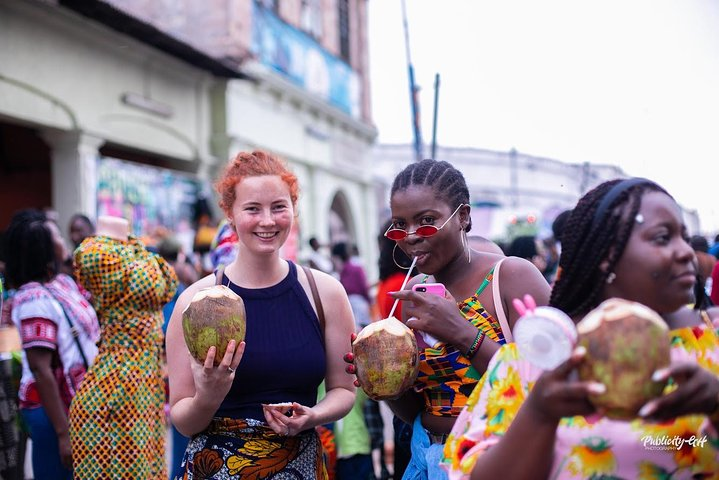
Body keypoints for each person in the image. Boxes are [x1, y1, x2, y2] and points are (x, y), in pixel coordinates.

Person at [443, 177, 719, 479]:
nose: (686, 253)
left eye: (684, 236)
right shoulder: (532, 362)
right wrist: (539, 414)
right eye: (663, 238)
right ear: (606, 257)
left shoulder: (712, 344)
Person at [349, 159, 550, 480]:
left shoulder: (511, 276)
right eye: (400, 225)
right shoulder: (415, 293)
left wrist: (461, 332)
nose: (412, 236)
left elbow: (547, 387)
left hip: (496, 459)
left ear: (463, 217)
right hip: (425, 458)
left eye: (427, 221)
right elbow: (418, 410)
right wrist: (383, 383)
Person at [166, 150, 356, 479]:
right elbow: (183, 420)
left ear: (293, 210)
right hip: (217, 469)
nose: (267, 221)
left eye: (278, 207)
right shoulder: (194, 302)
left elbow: (343, 390)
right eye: (252, 209)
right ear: (230, 214)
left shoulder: (324, 293)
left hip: (300, 465)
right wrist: (208, 398)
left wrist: (312, 416)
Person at [70, 215, 178, 479]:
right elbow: (160, 277)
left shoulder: (139, 253)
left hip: (146, 382)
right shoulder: (93, 253)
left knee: (146, 465)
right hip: (114, 382)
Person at [5, 209, 100, 479]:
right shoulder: (34, 298)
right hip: (53, 413)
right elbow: (40, 368)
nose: (64, 239)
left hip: (73, 406)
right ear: (45, 249)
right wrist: (63, 433)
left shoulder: (61, 283)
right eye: (57, 236)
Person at [333, 242, 372, 330]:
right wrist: (369, 300)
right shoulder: (356, 268)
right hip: (359, 302)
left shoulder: (343, 270)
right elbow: (364, 286)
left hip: (350, 303)